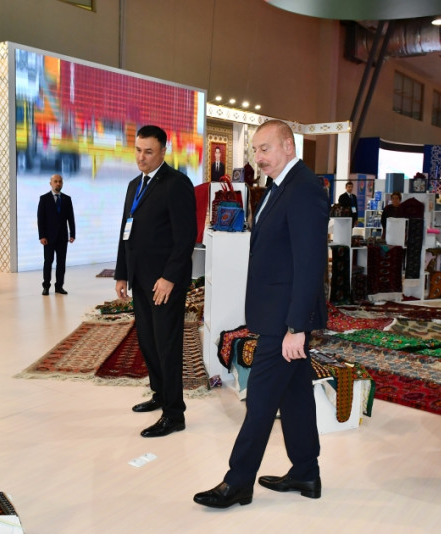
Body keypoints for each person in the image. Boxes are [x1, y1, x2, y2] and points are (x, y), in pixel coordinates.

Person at [193, 120, 328, 509]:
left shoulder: (303, 188)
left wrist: (296, 327)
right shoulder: (280, 186)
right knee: (296, 395)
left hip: (283, 322)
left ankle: (237, 482)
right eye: (255, 150)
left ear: (288, 146)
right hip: (276, 315)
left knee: (261, 402)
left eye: (265, 149)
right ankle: (305, 471)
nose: (259, 157)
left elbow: (310, 264)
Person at [114, 125, 197, 438]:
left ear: (163, 151)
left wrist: (169, 277)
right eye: (138, 150)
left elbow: (185, 237)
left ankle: (174, 415)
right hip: (140, 279)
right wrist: (122, 273)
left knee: (167, 346)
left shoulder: (177, 183)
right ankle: (160, 395)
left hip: (165, 284)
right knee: (148, 342)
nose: (141, 157)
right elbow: (126, 232)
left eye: (148, 152)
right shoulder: (134, 185)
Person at [37, 174, 76, 295]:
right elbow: (41, 219)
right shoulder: (44, 199)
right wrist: (42, 236)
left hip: (62, 237)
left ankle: (59, 286)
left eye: (60, 181)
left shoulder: (67, 199)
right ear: (51, 183)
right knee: (48, 262)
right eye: (55, 181)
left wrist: (72, 234)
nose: (58, 183)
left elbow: (71, 218)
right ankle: (46, 286)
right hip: (48, 238)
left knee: (61, 263)